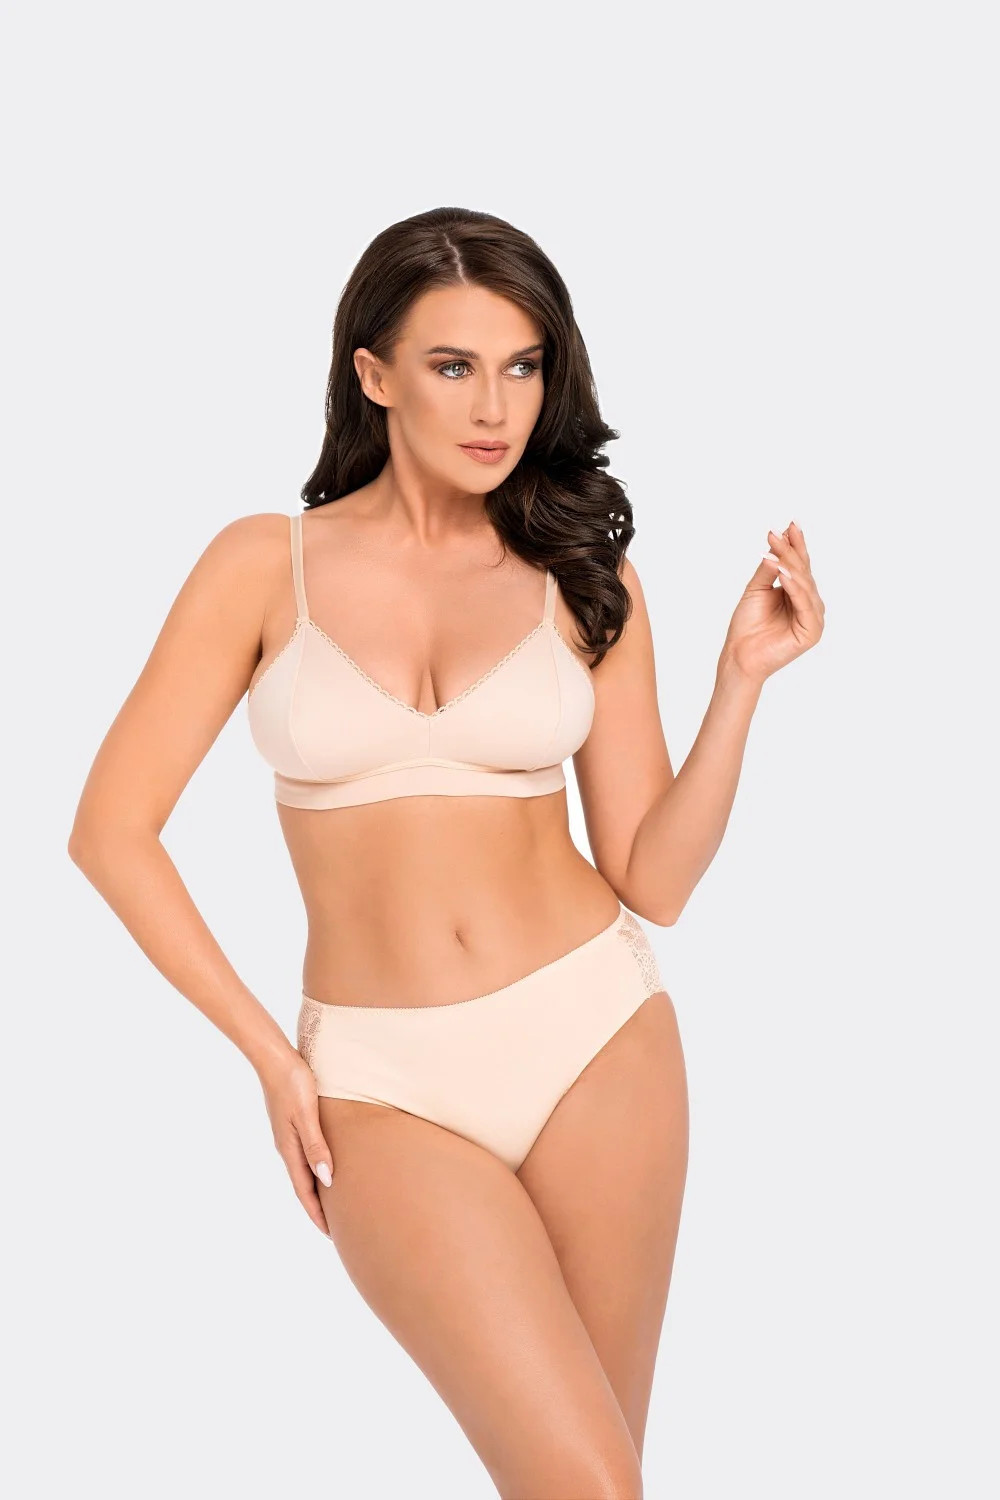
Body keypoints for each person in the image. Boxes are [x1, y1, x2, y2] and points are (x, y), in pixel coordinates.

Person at [68, 206, 824, 1500]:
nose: (494, 406)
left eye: (523, 366)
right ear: (374, 375)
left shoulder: (581, 572)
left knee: (596, 1483)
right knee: (585, 1482)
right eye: (453, 365)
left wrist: (740, 684)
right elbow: (111, 833)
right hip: (380, 1082)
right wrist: (271, 1056)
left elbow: (654, 878)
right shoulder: (262, 564)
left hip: (597, 1038)